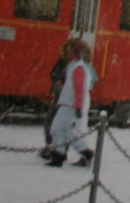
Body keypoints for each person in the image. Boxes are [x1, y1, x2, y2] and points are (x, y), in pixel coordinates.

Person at [47, 38, 98, 167]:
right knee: (65, 130)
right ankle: (77, 152)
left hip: (70, 104)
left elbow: (79, 89)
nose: (65, 52)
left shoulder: (78, 67)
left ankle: (63, 155)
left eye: (68, 50)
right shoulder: (76, 66)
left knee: (57, 129)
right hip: (69, 103)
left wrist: (79, 106)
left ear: (74, 52)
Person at [40, 39, 77, 158]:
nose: (60, 52)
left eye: (64, 50)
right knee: (53, 123)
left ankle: (57, 149)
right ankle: (55, 148)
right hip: (59, 96)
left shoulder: (71, 65)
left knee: (54, 124)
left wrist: (61, 83)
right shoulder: (63, 63)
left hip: (63, 98)